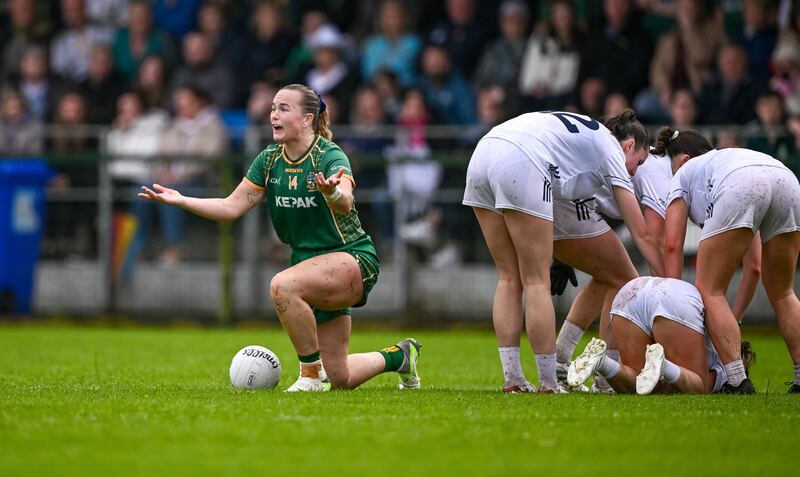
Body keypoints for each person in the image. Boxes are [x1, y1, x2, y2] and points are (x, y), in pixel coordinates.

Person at [138, 83, 422, 392]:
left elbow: (346, 200)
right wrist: (182, 200)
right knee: (341, 377)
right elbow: (231, 206)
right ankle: (400, 357)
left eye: (284, 108)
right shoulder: (270, 159)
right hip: (309, 265)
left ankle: (310, 376)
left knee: (281, 285)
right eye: (273, 107)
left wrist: (332, 192)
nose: (273, 114)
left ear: (306, 119)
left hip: (353, 258)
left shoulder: (328, 154)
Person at [462, 109, 664, 394]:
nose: (636, 170)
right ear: (630, 145)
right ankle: (549, 381)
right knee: (536, 281)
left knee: (509, 278)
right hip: (523, 159)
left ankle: (514, 379)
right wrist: (668, 283)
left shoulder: (589, 137)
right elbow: (642, 234)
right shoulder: (612, 151)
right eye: (638, 162)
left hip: (484, 151)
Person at [658, 127, 800, 394]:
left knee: (709, 290)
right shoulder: (721, 163)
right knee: (783, 292)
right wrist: (733, 320)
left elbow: (673, 244)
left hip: (743, 183)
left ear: (684, 160)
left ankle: (736, 380)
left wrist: (672, 306)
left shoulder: (685, 174)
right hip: (786, 178)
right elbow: (754, 267)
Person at [567, 276, 756, 394]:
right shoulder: (728, 366)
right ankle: (662, 364)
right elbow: (706, 386)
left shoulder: (724, 337)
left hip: (632, 290)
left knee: (642, 383)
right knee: (699, 386)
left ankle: (602, 361)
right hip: (677, 301)